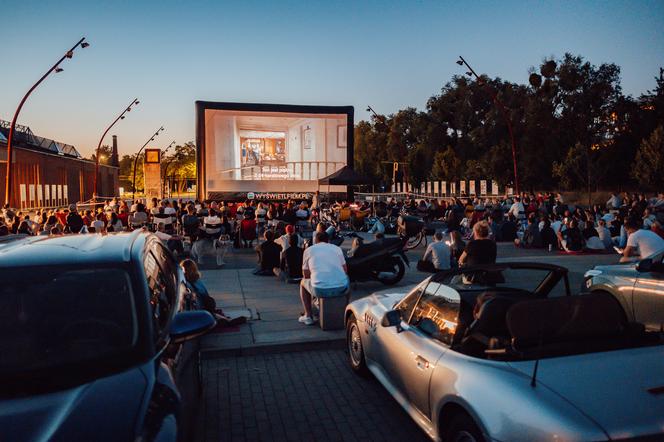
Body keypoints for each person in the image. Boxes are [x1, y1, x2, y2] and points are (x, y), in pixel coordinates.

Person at [299, 231, 349, 325]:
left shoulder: (309, 250)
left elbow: (306, 275)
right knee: (346, 279)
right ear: (328, 240)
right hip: (341, 288)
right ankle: (346, 311)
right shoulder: (337, 249)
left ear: (315, 240)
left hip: (320, 289)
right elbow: (345, 270)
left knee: (303, 283)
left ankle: (308, 316)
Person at [180, 259, 246, 327]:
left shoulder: (184, 283)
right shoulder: (197, 281)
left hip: (195, 306)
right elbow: (204, 293)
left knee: (210, 310)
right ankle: (225, 320)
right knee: (210, 309)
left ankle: (223, 320)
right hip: (201, 305)